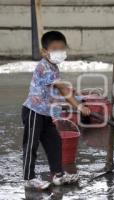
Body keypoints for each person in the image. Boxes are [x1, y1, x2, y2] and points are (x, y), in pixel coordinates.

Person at [22, 31, 91, 190]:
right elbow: (61, 88)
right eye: (54, 49)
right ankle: (29, 179)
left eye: (62, 48)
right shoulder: (44, 66)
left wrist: (76, 95)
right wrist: (79, 106)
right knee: (31, 145)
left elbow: (58, 89)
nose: (59, 52)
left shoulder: (53, 66)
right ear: (44, 51)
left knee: (55, 143)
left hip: (45, 113)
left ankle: (58, 175)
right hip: (33, 111)